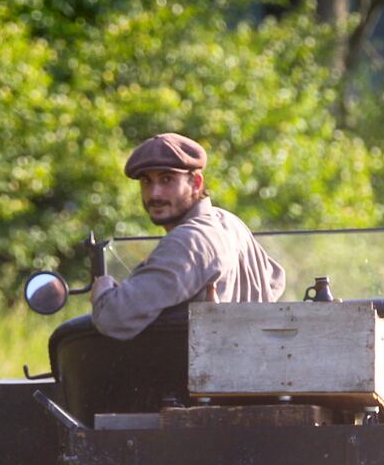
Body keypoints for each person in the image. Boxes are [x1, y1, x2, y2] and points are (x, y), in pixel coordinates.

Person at [90, 133, 286, 340]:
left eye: (167, 180)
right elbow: (275, 280)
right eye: (147, 182)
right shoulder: (229, 222)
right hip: (247, 364)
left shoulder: (188, 241)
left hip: (204, 370)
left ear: (196, 183)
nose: (155, 193)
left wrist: (103, 292)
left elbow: (114, 317)